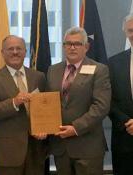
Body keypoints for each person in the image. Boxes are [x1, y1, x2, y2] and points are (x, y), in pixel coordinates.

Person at [46, 26, 111, 175]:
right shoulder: (53, 70)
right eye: (68, 44)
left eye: (77, 44)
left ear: (86, 47)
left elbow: (101, 107)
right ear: (63, 47)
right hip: (60, 147)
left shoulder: (99, 70)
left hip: (88, 146)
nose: (72, 47)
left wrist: (75, 128)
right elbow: (48, 103)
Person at [0, 35, 47, 175]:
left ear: (25, 52)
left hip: (36, 150)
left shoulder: (39, 77)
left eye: (19, 48)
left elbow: (45, 107)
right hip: (8, 152)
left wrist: (44, 128)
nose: (15, 52)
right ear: (2, 52)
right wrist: (14, 102)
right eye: (10, 49)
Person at [109, 13, 133, 175]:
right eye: (130, 30)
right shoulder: (114, 62)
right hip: (124, 138)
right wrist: (127, 122)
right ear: (125, 33)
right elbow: (107, 99)